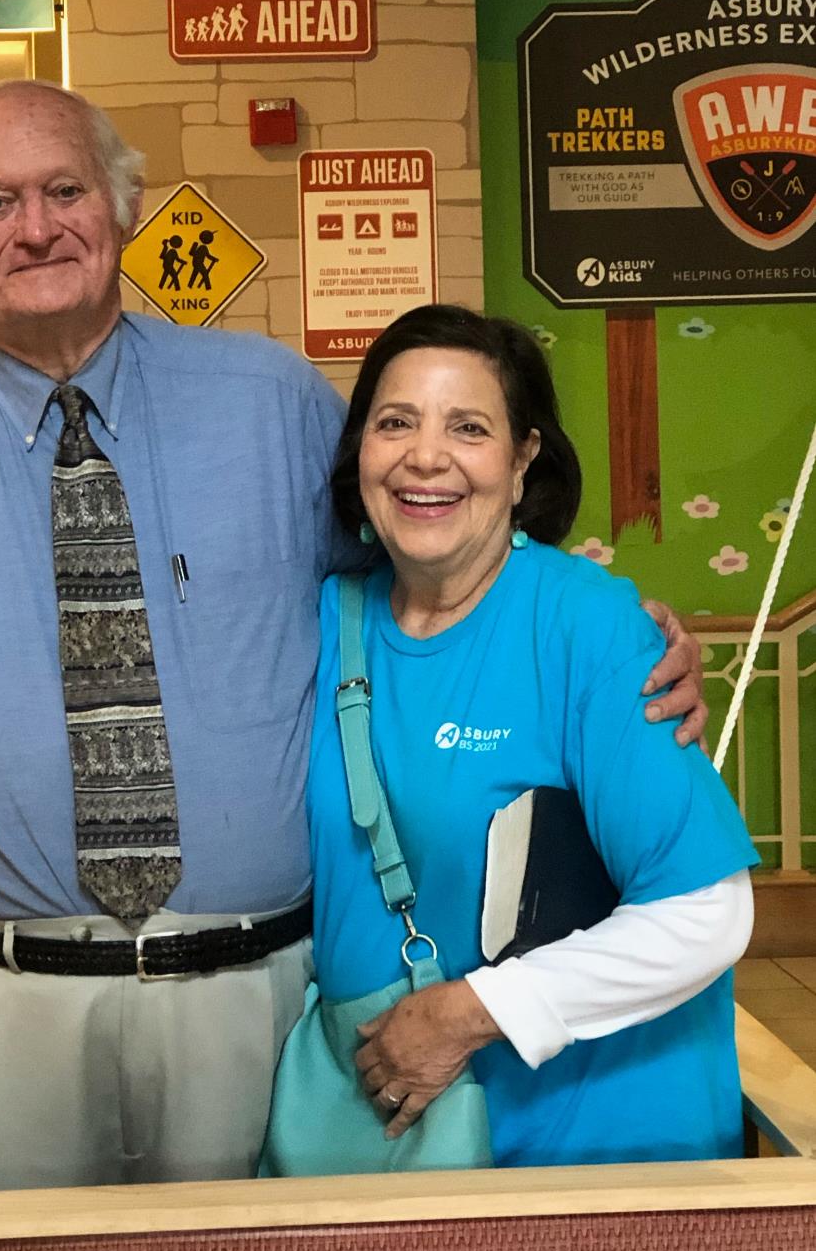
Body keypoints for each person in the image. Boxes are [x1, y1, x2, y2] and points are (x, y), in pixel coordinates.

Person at [0, 80, 707, 1194]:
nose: (36, 228)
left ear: (124, 208)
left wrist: (609, 636)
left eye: (65, 190)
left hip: (255, 1004)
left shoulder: (275, 406)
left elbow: (438, 571)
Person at [299, 306, 756, 1169]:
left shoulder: (588, 626)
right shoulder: (324, 620)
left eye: (467, 428)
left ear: (521, 461)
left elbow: (705, 913)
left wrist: (466, 1014)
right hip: (392, 1138)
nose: (424, 456)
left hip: (592, 1141)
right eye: (394, 423)